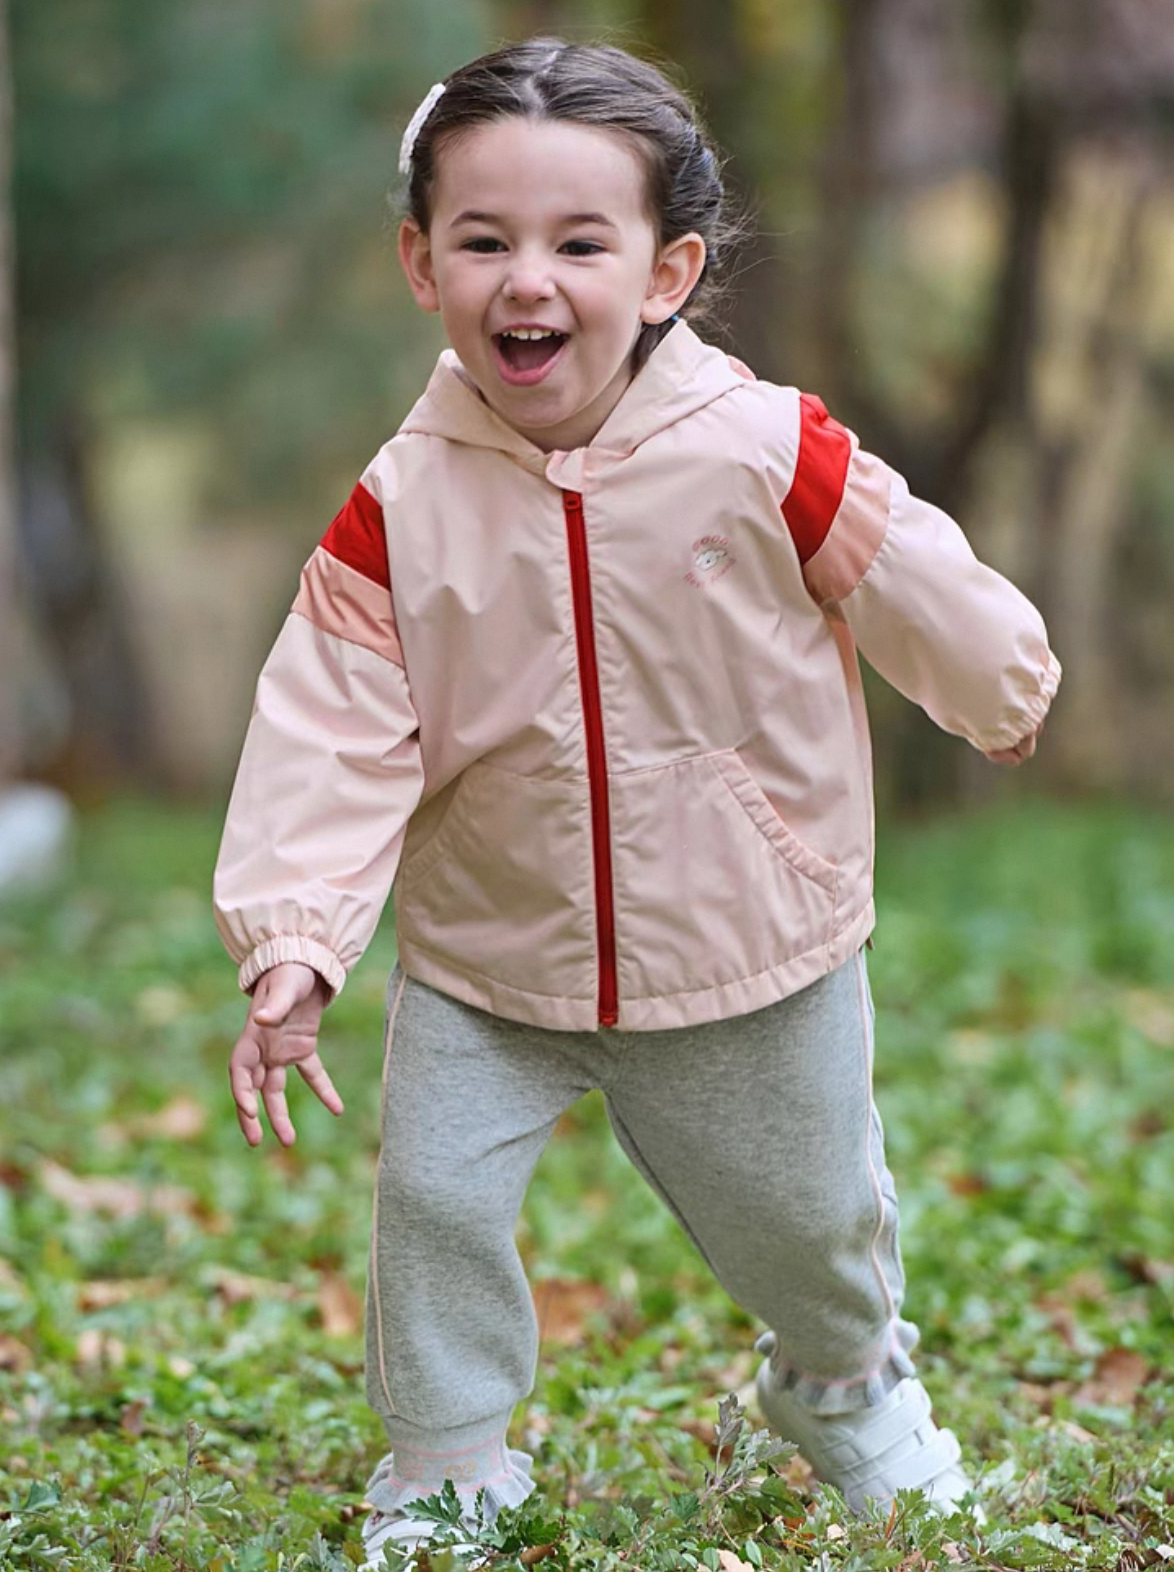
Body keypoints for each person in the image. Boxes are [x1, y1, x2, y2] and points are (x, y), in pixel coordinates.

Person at [213, 38, 1060, 1566]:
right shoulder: (401, 503)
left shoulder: (762, 450)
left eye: (578, 244)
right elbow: (328, 727)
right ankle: (449, 1459)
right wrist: (295, 936)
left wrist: (999, 687)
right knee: (433, 1206)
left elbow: (909, 571)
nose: (526, 280)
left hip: (748, 938)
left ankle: (843, 1385)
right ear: (420, 262)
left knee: (809, 1218)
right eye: (484, 240)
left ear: (667, 272)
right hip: (488, 954)